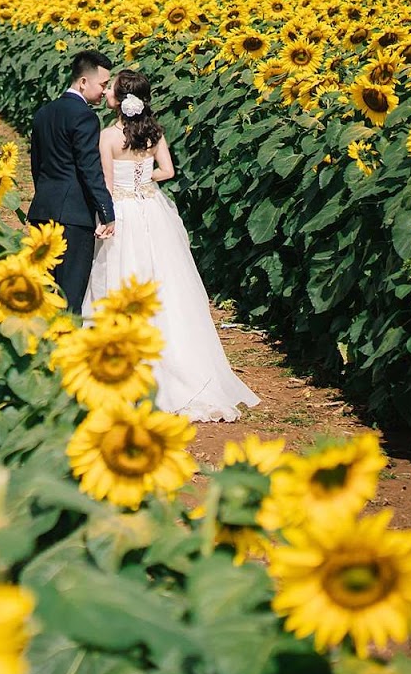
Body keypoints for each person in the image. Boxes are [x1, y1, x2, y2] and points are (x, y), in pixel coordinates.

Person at [83, 69, 260, 422]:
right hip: (151, 208)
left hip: (123, 210)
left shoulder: (107, 137)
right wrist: (142, 177)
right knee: (165, 283)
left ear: (121, 99)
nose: (106, 95)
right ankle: (180, 364)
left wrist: (111, 204)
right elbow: (168, 172)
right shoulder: (153, 133)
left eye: (111, 90)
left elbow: (104, 184)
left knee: (121, 281)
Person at [27, 50, 117, 313]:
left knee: (43, 291)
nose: (104, 91)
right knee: (69, 296)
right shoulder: (85, 116)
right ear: (83, 82)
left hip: (43, 209)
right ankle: (64, 351)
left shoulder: (44, 112)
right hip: (74, 218)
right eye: (102, 85)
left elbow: (37, 165)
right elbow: (90, 169)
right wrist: (106, 210)